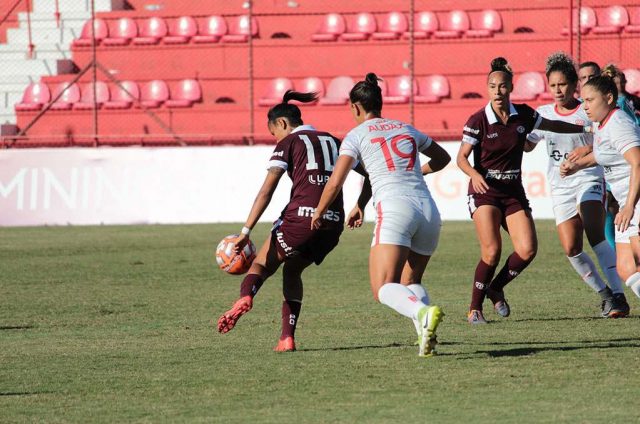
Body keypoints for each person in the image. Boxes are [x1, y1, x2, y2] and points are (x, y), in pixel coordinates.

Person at [311, 73, 451, 357]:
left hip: (395, 208)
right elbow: (443, 158)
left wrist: (319, 212)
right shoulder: (406, 128)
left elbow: (336, 181)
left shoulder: (356, 135)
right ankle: (426, 338)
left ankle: (423, 314)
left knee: (383, 287)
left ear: (356, 107)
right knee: (411, 281)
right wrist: (413, 173)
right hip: (427, 209)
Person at [458, 57, 594, 324]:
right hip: (485, 190)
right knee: (492, 251)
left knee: (528, 250)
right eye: (493, 87)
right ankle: (474, 308)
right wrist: (474, 174)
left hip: (512, 191)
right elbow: (461, 158)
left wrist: (589, 127)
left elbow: (552, 125)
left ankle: (496, 288)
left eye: (503, 86)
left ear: (511, 87)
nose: (498, 92)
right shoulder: (478, 120)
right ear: (488, 89)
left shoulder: (524, 114)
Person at [217, 90, 353, 352]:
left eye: (273, 134)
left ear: (281, 124)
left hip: (301, 220)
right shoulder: (336, 142)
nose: (275, 139)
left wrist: (246, 230)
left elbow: (267, 190)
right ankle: (286, 338)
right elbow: (367, 173)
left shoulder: (289, 142)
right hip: (333, 225)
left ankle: (246, 296)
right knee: (292, 270)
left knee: (260, 264)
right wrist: (360, 205)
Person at [527, 52, 629, 317]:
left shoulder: (587, 111)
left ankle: (619, 297)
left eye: (563, 84)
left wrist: (587, 146)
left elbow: (605, 136)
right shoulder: (543, 114)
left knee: (595, 233)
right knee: (572, 248)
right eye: (552, 85)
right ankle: (605, 295)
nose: (558, 90)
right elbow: (527, 144)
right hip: (560, 186)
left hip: (589, 178)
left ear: (575, 85)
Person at [561, 74, 640, 302]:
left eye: (590, 100)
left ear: (608, 97)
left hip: (635, 202)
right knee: (626, 269)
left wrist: (628, 206)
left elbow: (637, 162)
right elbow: (603, 153)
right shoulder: (601, 124)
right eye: (583, 100)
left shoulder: (618, 123)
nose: (585, 106)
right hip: (628, 203)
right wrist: (576, 166)